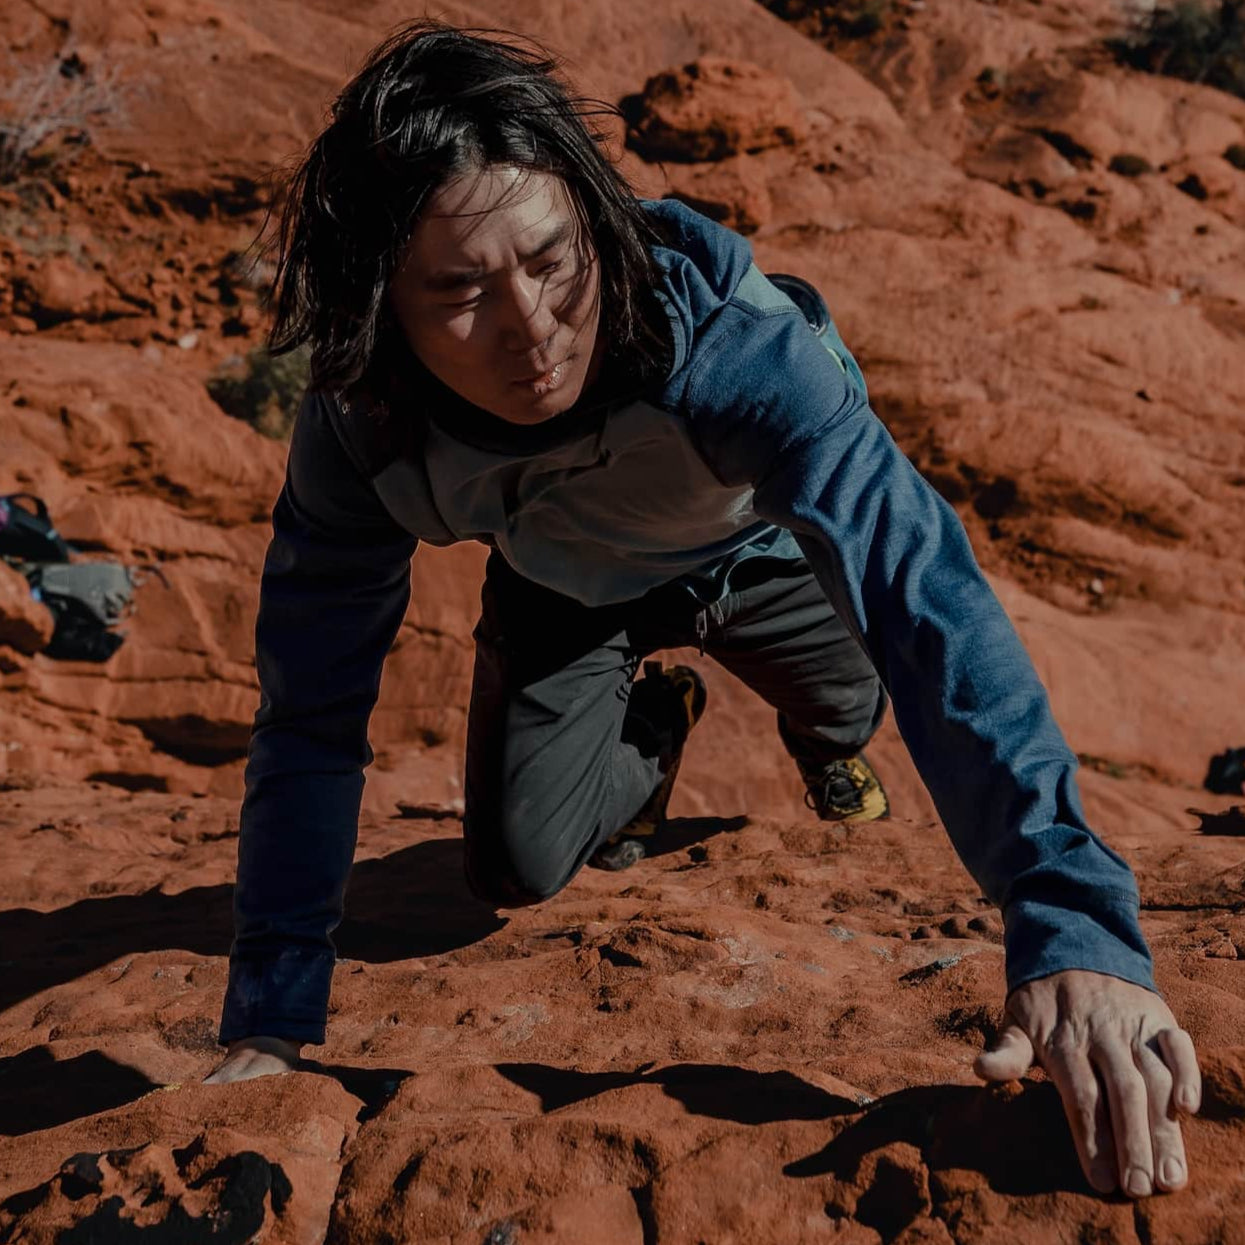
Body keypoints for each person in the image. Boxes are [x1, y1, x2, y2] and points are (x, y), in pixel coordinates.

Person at [204, 19, 1201, 1200]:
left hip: (760, 554)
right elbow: (311, 714)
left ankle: (820, 722)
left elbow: (924, 590)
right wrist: (270, 1020)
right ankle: (657, 718)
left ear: (592, 219)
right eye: (461, 288)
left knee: (857, 699)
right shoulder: (363, 427)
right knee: (514, 873)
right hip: (570, 590)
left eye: (551, 258)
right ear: (385, 302)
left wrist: (1073, 920)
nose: (529, 326)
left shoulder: (729, 344)